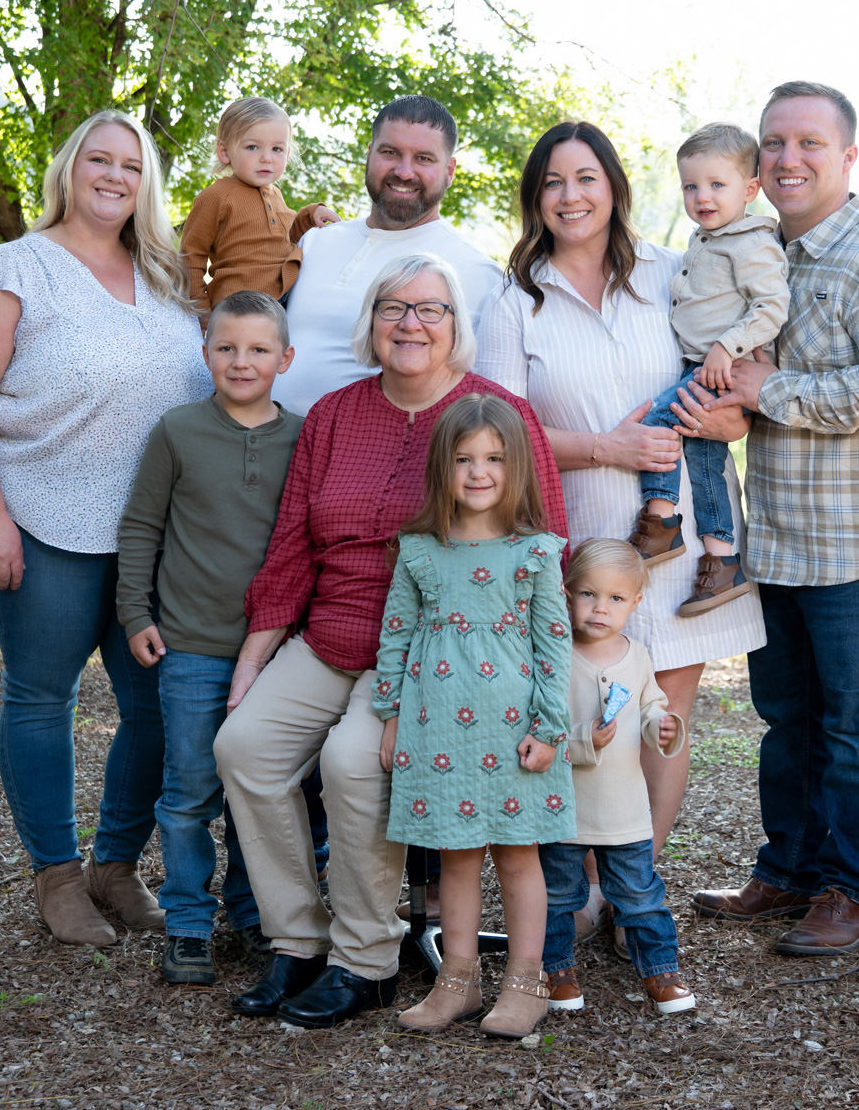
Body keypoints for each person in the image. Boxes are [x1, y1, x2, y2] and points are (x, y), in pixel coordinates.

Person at [213, 253, 568, 1029]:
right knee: (244, 747)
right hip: (328, 635)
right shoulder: (336, 415)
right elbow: (291, 546)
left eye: (430, 309)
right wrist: (253, 662)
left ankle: (365, 960)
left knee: (352, 763)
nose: (410, 323)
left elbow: (541, 543)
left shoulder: (496, 413)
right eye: (393, 308)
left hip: (433, 656)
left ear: (456, 327)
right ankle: (298, 941)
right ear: (371, 323)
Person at [0, 109, 212, 947]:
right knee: (40, 699)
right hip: (44, 522)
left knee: (159, 706)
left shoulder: (165, 276)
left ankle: (115, 867)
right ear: (69, 168)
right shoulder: (9, 272)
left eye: (132, 165)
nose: (115, 175)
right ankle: (55, 876)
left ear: (146, 183)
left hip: (153, 540)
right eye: (100, 159)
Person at [473, 121, 765, 882]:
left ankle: (630, 888)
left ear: (614, 188)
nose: (571, 196)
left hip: (683, 540)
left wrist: (729, 417)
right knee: (583, 710)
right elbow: (501, 432)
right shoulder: (515, 303)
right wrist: (608, 446)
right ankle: (578, 885)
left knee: (662, 717)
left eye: (586, 179)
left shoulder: (675, 272)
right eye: (553, 183)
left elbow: (742, 378)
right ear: (535, 199)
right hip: (581, 537)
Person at [693, 81, 859, 954]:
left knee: (857, 721)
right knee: (788, 718)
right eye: (773, 144)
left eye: (809, 143)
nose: (789, 158)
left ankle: (853, 890)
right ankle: (789, 870)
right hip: (784, 540)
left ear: (848, 156)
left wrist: (774, 390)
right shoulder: (762, 258)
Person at [114, 290, 304, 985]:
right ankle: (189, 920)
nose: (241, 361)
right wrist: (137, 613)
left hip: (279, 653)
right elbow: (141, 526)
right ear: (206, 355)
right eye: (226, 348)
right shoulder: (178, 431)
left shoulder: (302, 437)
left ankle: (251, 914)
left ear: (286, 358)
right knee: (190, 788)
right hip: (191, 645)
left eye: (258, 349)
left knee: (261, 787)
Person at [378, 395, 574, 1040]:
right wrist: (389, 717)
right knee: (454, 860)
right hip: (436, 730)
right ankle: (457, 981)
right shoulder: (419, 551)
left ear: (517, 467)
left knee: (519, 857)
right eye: (464, 458)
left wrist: (548, 728)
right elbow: (397, 635)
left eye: (494, 458)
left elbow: (553, 646)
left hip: (514, 730)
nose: (479, 471)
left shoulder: (537, 553)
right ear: (444, 467)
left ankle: (527, 982)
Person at [628, 124, 788, 617]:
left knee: (658, 421)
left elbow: (772, 305)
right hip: (704, 362)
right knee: (703, 463)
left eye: (717, 185)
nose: (702, 196)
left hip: (719, 364)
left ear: (751, 189)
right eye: (691, 186)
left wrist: (726, 345)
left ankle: (660, 524)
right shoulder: (706, 238)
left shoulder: (751, 243)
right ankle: (722, 561)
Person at [271, 95, 503, 414]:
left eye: (423, 158)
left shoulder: (475, 271)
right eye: (390, 152)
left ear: (449, 170)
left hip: (369, 456)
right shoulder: (316, 241)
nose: (404, 171)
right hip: (261, 448)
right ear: (369, 154)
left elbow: (479, 406)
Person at [540, 539, 694, 1015]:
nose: (600, 608)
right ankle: (556, 969)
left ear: (635, 603)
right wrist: (584, 740)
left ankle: (660, 971)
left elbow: (650, 708)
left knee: (639, 894)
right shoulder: (554, 656)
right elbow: (540, 727)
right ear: (567, 595)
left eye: (615, 598)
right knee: (556, 895)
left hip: (624, 808)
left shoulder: (638, 656)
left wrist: (662, 727)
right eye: (588, 594)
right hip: (565, 806)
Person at [177, 97, 343, 308]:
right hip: (239, 305)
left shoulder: (276, 196)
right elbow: (190, 257)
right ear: (225, 152)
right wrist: (200, 313)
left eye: (277, 149)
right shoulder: (217, 195)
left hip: (285, 301)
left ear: (287, 153)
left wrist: (311, 215)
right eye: (253, 147)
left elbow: (288, 239)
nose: (267, 158)